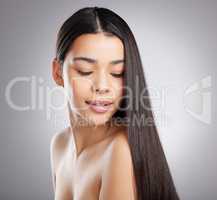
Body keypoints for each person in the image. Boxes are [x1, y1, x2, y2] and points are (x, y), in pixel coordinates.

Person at [50, 6, 180, 200]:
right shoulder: (59, 144)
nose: (102, 86)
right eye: (85, 70)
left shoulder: (118, 152)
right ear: (58, 73)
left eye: (117, 73)